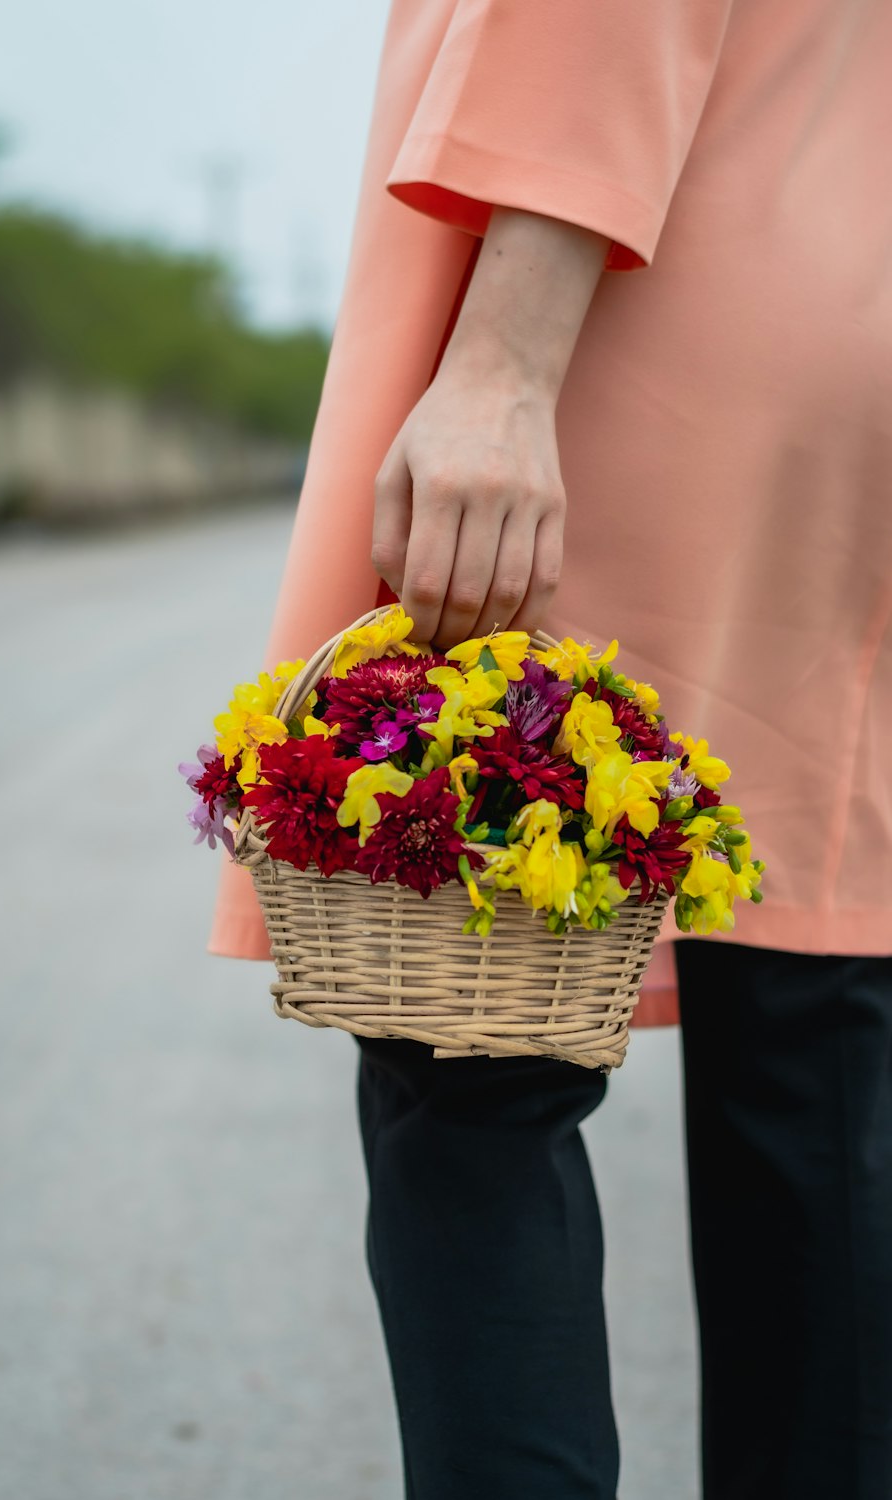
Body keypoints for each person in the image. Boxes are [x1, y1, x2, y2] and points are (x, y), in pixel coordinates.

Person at [209, 1, 892, 1494]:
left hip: (648, 333)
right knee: (818, 1028)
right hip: (847, 342)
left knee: (474, 1043)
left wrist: (503, 364)